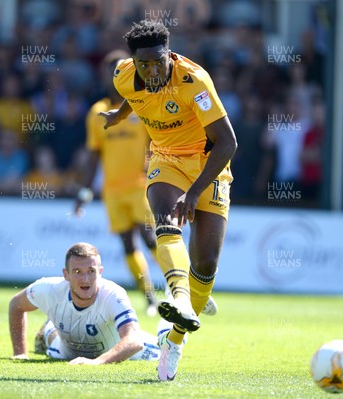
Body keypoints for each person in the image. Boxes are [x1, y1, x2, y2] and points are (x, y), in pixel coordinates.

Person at [99, 20, 237, 381]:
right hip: (166, 160)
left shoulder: (195, 81)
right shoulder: (122, 76)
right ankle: (178, 298)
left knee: (205, 264)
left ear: (169, 55)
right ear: (134, 63)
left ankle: (174, 340)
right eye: (144, 65)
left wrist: (194, 194)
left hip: (210, 166)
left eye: (158, 62)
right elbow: (136, 96)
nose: (152, 71)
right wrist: (120, 115)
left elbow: (228, 143)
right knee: (165, 221)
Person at [75, 50, 160, 317]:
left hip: (139, 186)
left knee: (150, 238)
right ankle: (149, 298)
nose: (115, 77)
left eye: (121, 71)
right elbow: (93, 154)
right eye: (111, 72)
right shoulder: (97, 112)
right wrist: (85, 190)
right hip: (112, 190)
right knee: (127, 243)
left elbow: (156, 142)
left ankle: (177, 285)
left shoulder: (142, 104)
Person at [8, 242, 160, 364]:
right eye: (77, 272)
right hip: (65, 352)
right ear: (66, 275)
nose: (85, 279)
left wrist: (97, 362)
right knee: (51, 336)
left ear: (100, 272)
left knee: (165, 345)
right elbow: (16, 304)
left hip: (124, 351)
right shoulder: (49, 289)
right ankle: (48, 329)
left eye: (91, 271)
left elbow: (134, 340)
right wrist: (20, 353)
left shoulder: (113, 294)